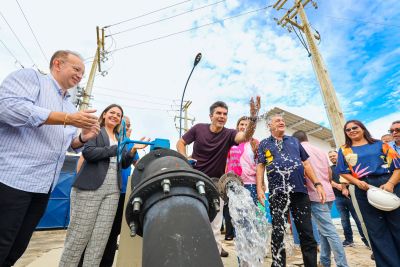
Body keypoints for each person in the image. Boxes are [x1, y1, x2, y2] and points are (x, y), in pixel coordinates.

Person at [0, 50, 100, 267]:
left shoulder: (70, 106)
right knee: (2, 243)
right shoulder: (31, 78)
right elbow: (7, 108)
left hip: (43, 187)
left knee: (17, 248)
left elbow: (70, 143)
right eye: (76, 69)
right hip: (12, 180)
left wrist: (84, 137)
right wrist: (66, 119)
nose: (80, 76)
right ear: (57, 63)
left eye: (82, 73)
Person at [59, 104, 143, 266]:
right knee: (79, 236)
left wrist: (132, 151)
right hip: (90, 187)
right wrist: (114, 149)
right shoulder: (96, 131)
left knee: (100, 238)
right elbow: (88, 152)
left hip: (113, 190)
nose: (115, 116)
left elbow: (124, 164)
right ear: (104, 114)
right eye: (112, 112)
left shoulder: (120, 138)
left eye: (119, 114)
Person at [176, 97, 261, 257]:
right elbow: (180, 142)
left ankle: (212, 258)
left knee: (215, 226)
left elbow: (245, 137)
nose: (222, 116)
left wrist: (253, 118)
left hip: (216, 185)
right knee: (193, 221)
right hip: (194, 181)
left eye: (225, 114)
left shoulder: (229, 134)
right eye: (219, 113)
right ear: (211, 116)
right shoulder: (198, 128)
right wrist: (184, 158)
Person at [256, 114, 326, 267]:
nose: (282, 122)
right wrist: (259, 187)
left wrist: (317, 183)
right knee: (278, 231)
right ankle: (278, 265)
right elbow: (261, 166)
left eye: (282, 120)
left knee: (306, 232)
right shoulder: (264, 143)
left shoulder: (294, 141)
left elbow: (306, 164)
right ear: (269, 126)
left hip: (300, 192)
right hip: (277, 193)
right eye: (277, 120)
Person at [336, 120, 400, 267]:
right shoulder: (344, 149)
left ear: (362, 128)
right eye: (348, 130)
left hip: (388, 184)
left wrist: (390, 183)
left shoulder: (380, 144)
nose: (351, 130)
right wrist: (357, 182)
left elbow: (398, 166)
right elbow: (342, 171)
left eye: (355, 127)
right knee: (376, 230)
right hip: (363, 188)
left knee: (397, 225)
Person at [292, 130, 348, 267]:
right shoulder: (320, 150)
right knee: (323, 230)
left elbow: (302, 171)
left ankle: (342, 264)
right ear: (306, 137)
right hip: (328, 192)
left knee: (329, 231)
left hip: (315, 194)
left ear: (295, 141)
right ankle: (324, 261)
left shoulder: (298, 149)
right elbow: (329, 173)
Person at [328, 150, 368, 248]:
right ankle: (349, 240)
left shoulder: (347, 166)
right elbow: (328, 180)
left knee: (358, 219)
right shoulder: (329, 168)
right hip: (338, 197)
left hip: (351, 196)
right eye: (330, 157)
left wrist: (345, 186)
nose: (332, 158)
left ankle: (366, 241)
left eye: (334, 155)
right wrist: (337, 185)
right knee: (344, 220)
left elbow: (352, 177)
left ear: (338, 155)